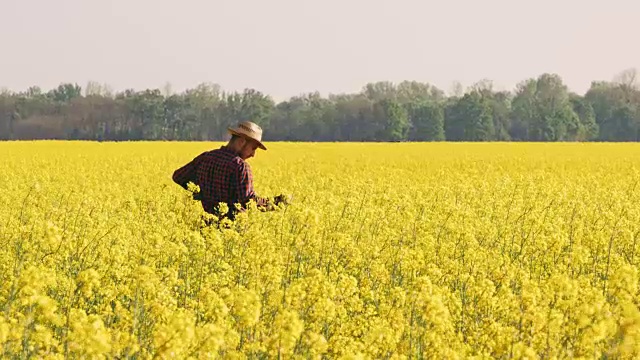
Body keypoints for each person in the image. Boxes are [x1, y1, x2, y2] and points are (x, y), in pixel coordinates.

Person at [172, 120, 289, 221]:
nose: (253, 154)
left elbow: (178, 176)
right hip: (232, 229)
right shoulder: (240, 166)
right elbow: (249, 202)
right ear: (242, 141)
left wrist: (199, 192)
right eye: (253, 148)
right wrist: (277, 202)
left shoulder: (205, 157)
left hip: (206, 226)